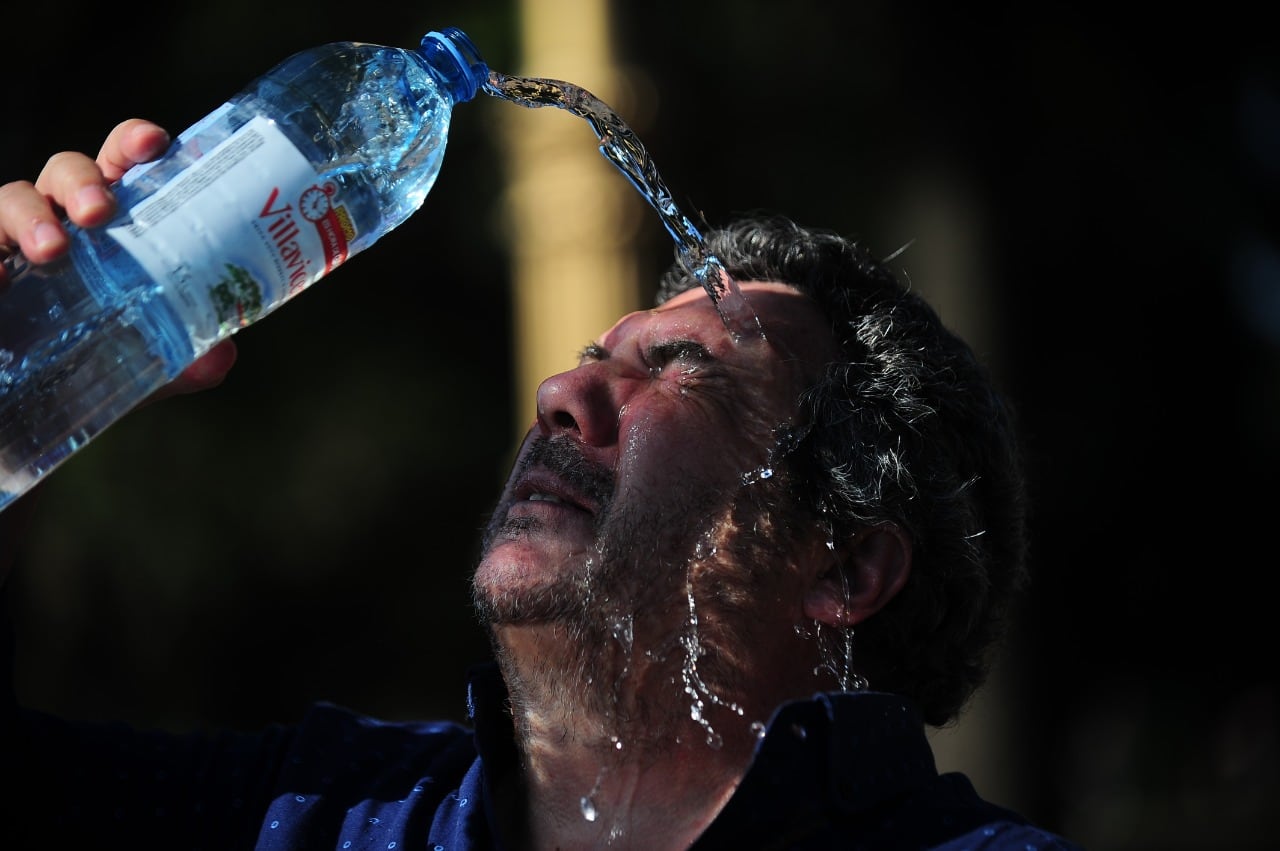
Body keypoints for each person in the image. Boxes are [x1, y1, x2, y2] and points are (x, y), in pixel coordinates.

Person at [0, 119, 1081, 850]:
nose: (562, 388)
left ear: (840, 561)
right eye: (594, 352)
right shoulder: (327, 811)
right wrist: (24, 409)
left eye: (681, 370)